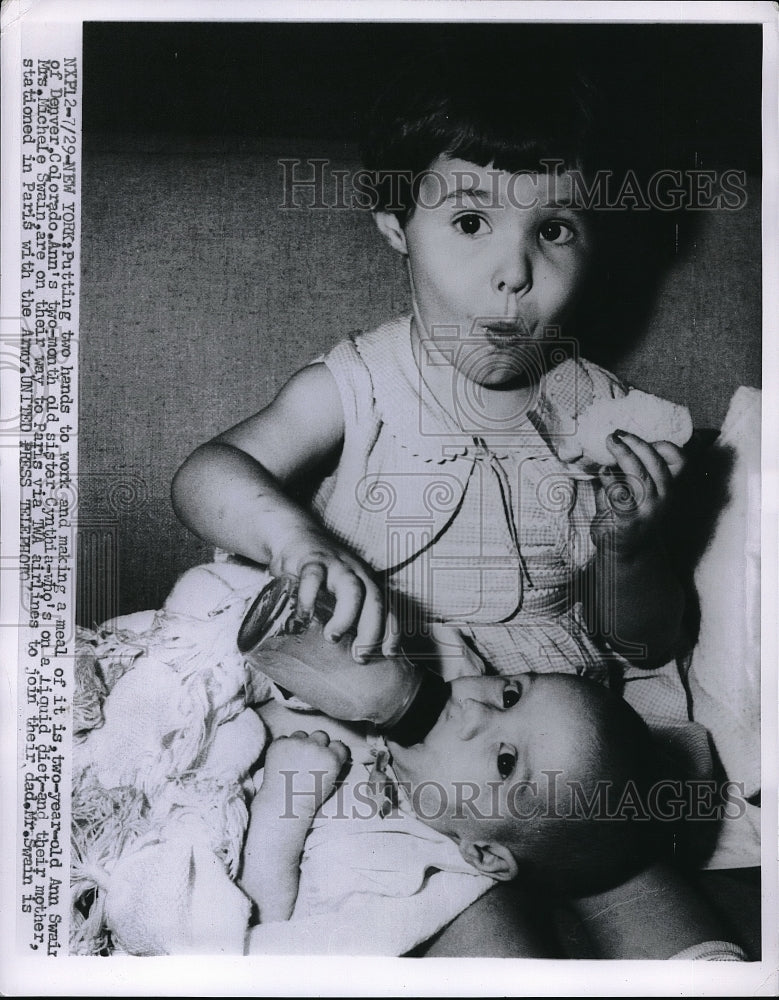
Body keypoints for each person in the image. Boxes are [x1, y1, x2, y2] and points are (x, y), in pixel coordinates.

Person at [171, 49, 686, 690]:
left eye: (554, 229)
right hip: (364, 689)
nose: (516, 273)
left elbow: (650, 645)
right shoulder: (361, 384)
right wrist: (299, 544)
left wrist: (627, 553)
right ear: (396, 225)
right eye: (471, 222)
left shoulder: (598, 412)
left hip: (528, 734)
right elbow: (204, 475)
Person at [240, 671, 661, 934]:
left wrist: (284, 802)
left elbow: (263, 923)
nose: (476, 708)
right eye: (510, 696)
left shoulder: (394, 867)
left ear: (483, 853)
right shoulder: (425, 675)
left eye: (505, 761)